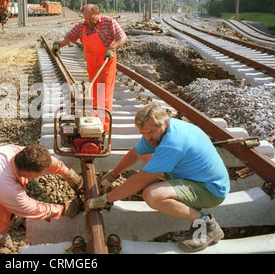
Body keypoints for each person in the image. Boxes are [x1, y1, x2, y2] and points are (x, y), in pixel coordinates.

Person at [84, 102, 230, 252]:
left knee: (152, 194)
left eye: (151, 133)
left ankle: (206, 224)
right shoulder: (163, 130)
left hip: (210, 190)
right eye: (143, 133)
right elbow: (136, 153)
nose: (147, 137)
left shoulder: (172, 143)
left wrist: (106, 199)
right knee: (144, 153)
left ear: (164, 123)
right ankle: (177, 193)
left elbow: (141, 179)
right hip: (195, 176)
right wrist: (112, 175)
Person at [52, 4, 127, 130]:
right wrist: (58, 44)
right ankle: (94, 121)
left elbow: (122, 37)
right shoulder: (81, 26)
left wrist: (112, 48)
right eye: (86, 19)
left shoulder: (109, 22)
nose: (88, 22)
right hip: (92, 65)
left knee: (103, 94)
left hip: (106, 64)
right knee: (94, 94)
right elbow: (68, 37)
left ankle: (103, 127)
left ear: (98, 14)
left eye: (91, 18)